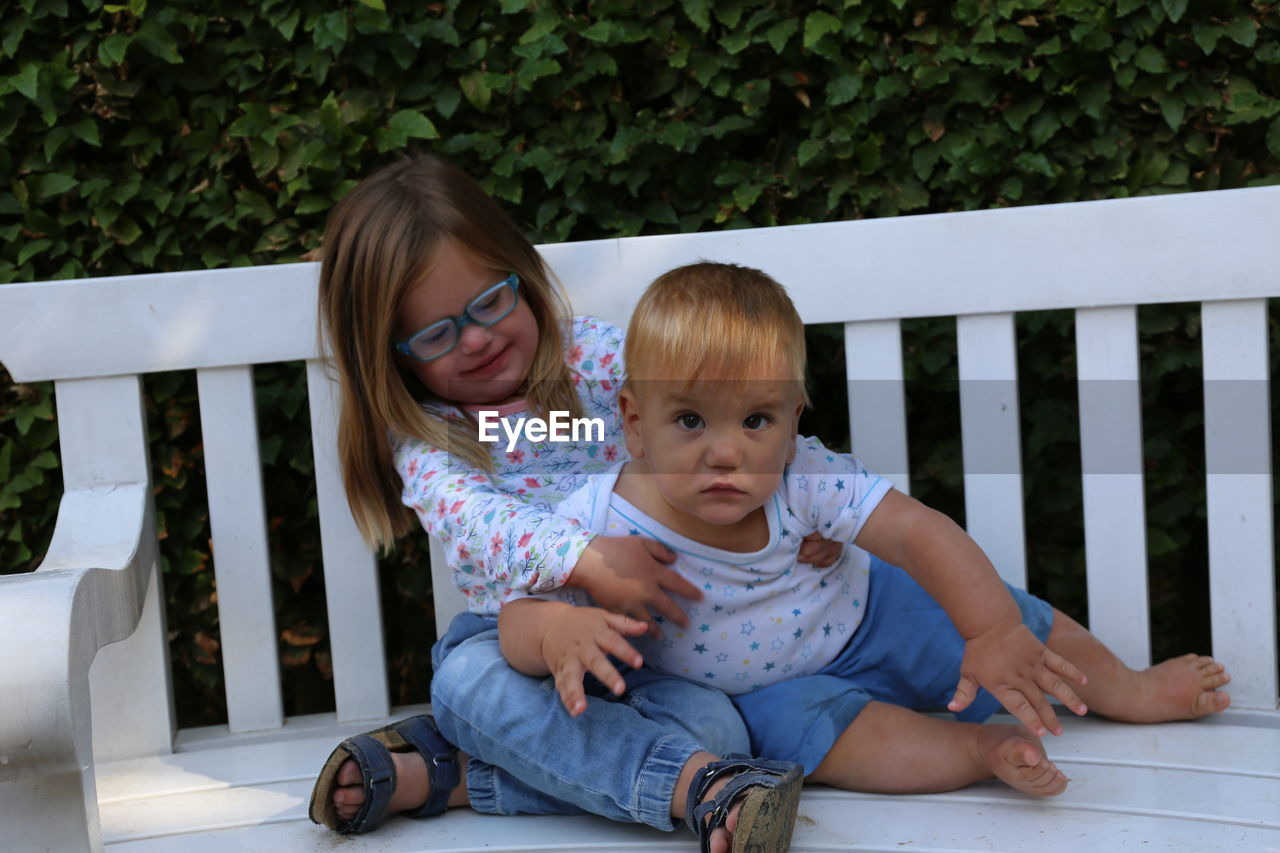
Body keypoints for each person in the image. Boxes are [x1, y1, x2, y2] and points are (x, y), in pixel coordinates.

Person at [499, 261, 1233, 798]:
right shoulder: (595, 518)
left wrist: (989, 629)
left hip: (870, 615)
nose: (725, 451)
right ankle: (979, 750)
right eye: (690, 419)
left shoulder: (804, 476)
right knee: (817, 741)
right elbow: (515, 616)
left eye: (756, 419)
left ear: (794, 417)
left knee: (1009, 627)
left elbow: (917, 533)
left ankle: (1127, 688)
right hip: (765, 689)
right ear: (632, 421)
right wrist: (551, 634)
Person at [307, 156, 827, 852]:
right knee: (464, 685)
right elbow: (482, 525)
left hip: (649, 647)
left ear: (520, 271)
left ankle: (453, 773)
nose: (478, 338)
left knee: (721, 728)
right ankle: (701, 787)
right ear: (394, 356)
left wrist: (812, 505)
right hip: (517, 643)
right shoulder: (433, 439)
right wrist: (582, 556)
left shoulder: (593, 364)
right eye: (436, 334)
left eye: (491, 301)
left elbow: (720, 400)